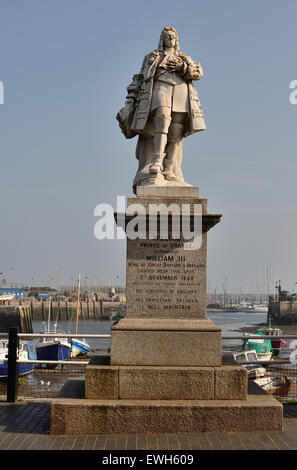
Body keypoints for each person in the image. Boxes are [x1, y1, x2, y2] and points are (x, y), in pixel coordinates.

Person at [117, 26, 206, 192]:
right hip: (160, 89)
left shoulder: (183, 57)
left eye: (173, 36)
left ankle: (170, 170)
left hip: (180, 92)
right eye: (167, 36)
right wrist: (129, 104)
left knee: (175, 130)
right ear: (162, 39)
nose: (170, 38)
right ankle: (156, 164)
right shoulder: (152, 57)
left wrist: (183, 68)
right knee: (162, 118)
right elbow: (139, 79)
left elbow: (198, 72)